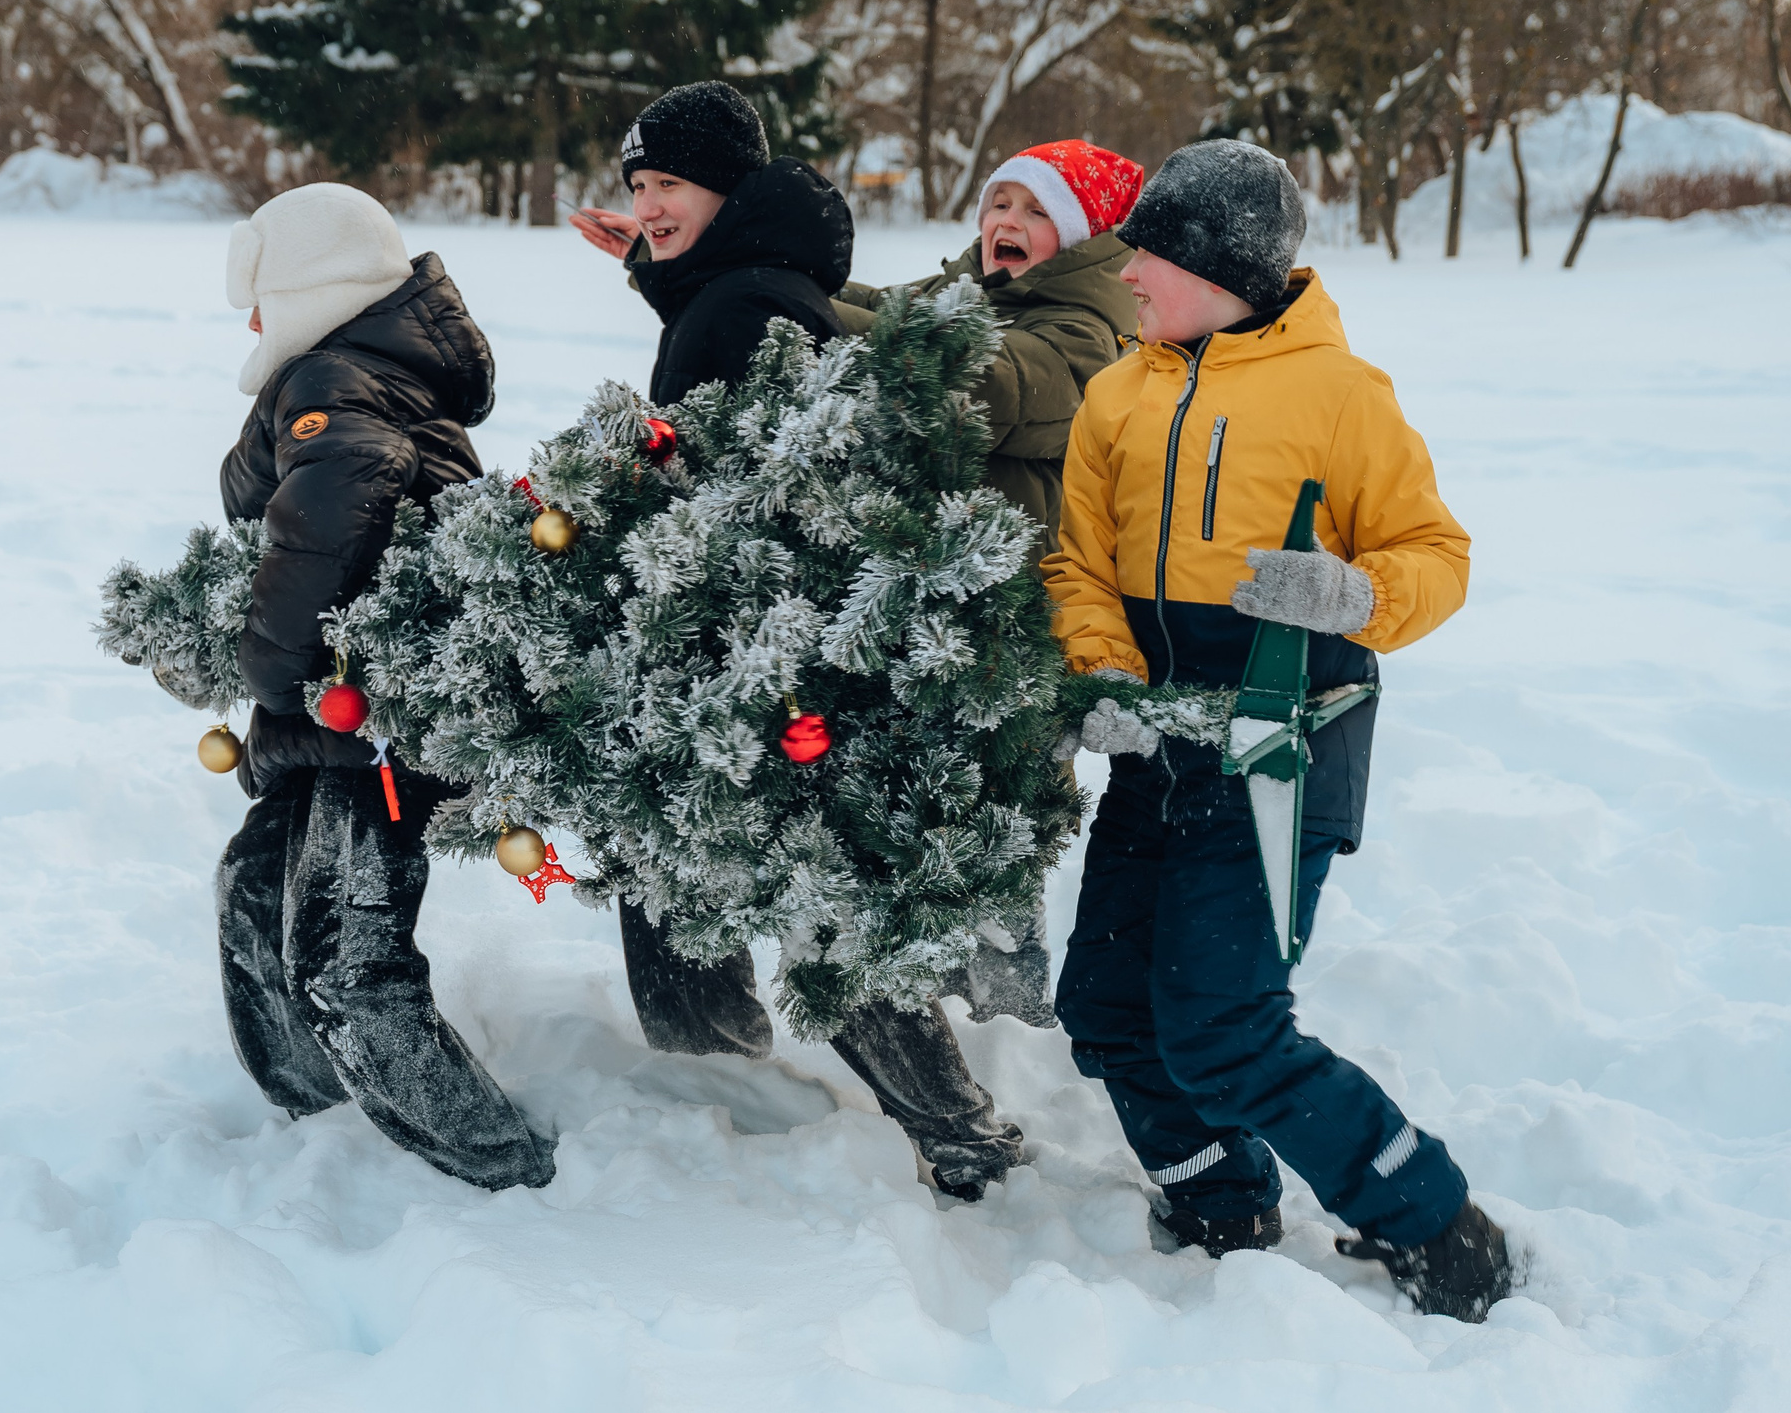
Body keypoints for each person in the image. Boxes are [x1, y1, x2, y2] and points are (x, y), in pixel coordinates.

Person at [1043, 140, 1513, 1319]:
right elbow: (1077, 562)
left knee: (1220, 1026)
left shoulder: (1340, 395)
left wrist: (1356, 595)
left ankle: (1434, 1221)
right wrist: (1104, 673)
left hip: (1279, 746)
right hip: (1156, 742)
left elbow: (1435, 555)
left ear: (1215, 266)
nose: (1128, 272)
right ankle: (1218, 1197)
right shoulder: (1117, 389)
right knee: (1102, 1006)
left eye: (1146, 252)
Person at [568, 81, 1026, 1202]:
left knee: (772, 880)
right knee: (746, 870)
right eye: (637, 184)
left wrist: (649, 485)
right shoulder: (745, 283)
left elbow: (757, 484)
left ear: (726, 187)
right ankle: (891, 1114)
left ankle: (746, 1085)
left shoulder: (743, 303)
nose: (650, 202)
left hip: (762, 648)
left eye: (669, 182)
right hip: (757, 640)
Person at [204, 181, 553, 1192]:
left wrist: (267, 664)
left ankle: (507, 1169)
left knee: (346, 963)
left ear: (314, 286)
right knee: (254, 885)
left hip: (385, 709)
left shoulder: (337, 380)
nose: (254, 319)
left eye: (264, 292)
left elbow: (339, 495)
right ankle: (319, 1119)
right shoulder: (352, 369)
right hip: (343, 707)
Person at [830, 139, 1147, 1026]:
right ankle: (935, 993)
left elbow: (981, 384)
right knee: (932, 816)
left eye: (1036, 211)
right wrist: (721, 271)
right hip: (945, 617)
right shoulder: (971, 292)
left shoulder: (1093, 330)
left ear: (1083, 234)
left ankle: (1011, 1018)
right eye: (998, 203)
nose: (1005, 223)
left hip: (1024, 629)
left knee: (1002, 828)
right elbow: (873, 306)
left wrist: (781, 309)